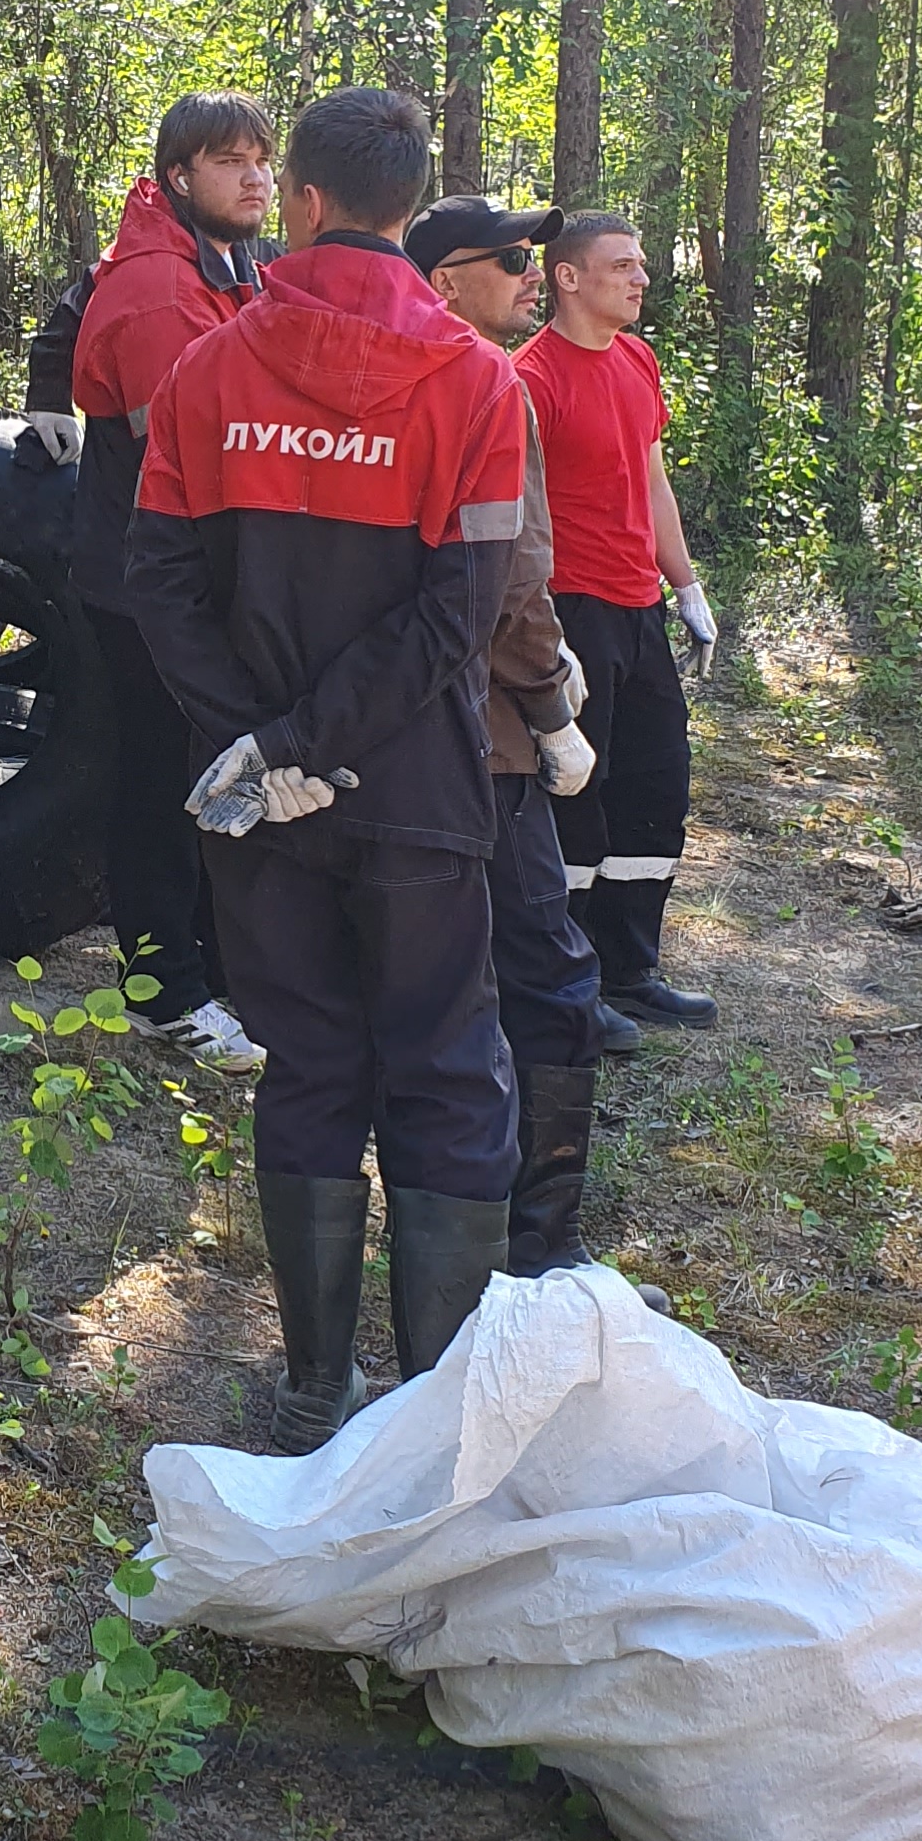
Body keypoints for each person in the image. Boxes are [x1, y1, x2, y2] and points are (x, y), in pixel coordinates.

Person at [126, 86, 527, 1452]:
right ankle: (436, 1409)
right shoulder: (476, 380)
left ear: (299, 201)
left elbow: (157, 579)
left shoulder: (204, 371)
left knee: (304, 1063)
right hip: (416, 790)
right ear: (409, 210)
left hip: (257, 801)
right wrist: (307, 743)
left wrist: (262, 743)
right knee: (441, 1063)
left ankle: (314, 1386)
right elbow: (454, 613)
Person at [407, 195, 674, 1293]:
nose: (529, 270)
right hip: (481, 727)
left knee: (424, 997)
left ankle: (455, 1282)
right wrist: (547, 698)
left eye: (532, 254)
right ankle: (533, 1256)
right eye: (509, 257)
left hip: (398, 727)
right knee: (544, 984)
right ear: (442, 276)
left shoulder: (408, 374)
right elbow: (502, 571)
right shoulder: (485, 384)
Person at [32, 92, 282, 1076]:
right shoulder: (154, 288)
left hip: (198, 580)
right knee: (160, 785)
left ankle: (222, 967)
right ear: (179, 176)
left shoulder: (227, 263)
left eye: (263, 159)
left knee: (207, 773)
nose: (254, 177)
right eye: (231, 161)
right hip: (150, 585)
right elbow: (185, 454)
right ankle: (162, 992)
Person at [515, 212, 719, 1031]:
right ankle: (569, 984)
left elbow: (652, 479)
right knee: (577, 795)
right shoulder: (533, 378)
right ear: (568, 278)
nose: (641, 279)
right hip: (574, 612)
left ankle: (631, 967)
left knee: (655, 783)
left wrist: (688, 586)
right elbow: (519, 518)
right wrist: (542, 633)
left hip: (640, 610)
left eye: (641, 264)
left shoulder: (637, 359)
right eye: (622, 266)